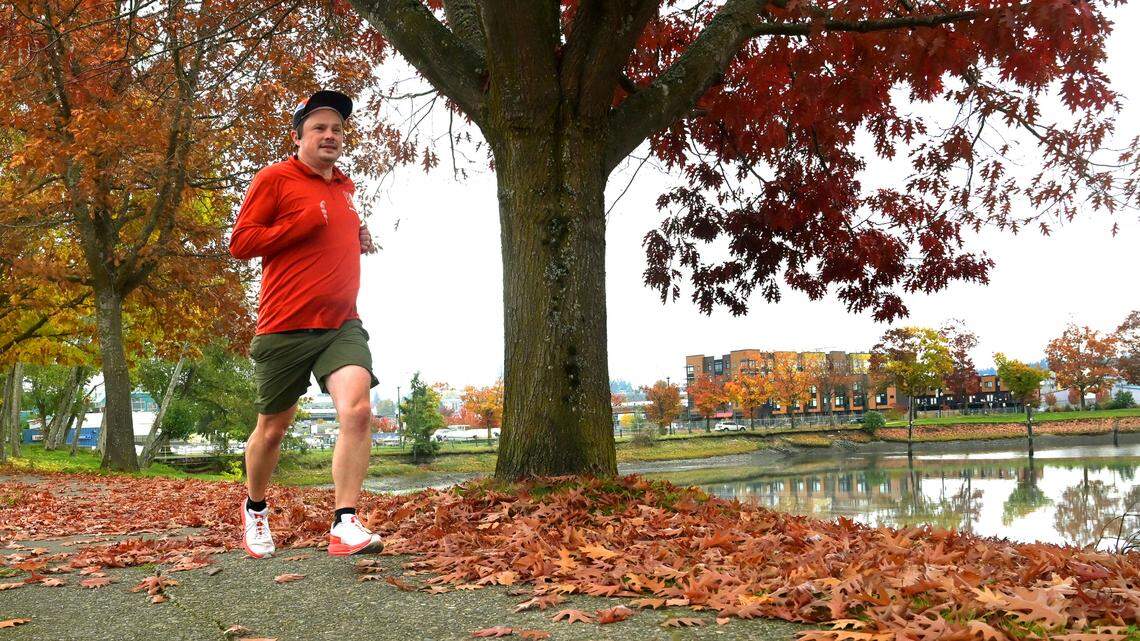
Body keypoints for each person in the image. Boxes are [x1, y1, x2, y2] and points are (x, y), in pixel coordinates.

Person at [229, 90, 381, 557]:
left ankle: (345, 523)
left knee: (356, 411)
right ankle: (255, 509)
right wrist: (300, 226)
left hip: (341, 324)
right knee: (271, 430)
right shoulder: (274, 179)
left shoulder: (345, 188)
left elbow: (329, 234)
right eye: (319, 128)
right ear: (298, 137)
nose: (330, 135)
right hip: (284, 326)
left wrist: (357, 236)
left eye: (337, 128)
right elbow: (241, 242)